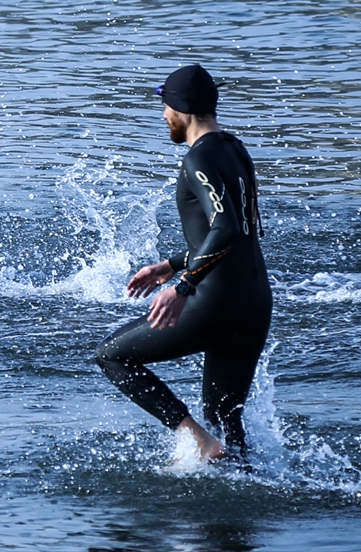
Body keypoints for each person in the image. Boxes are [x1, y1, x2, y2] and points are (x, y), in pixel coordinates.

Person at [96, 64, 272, 463]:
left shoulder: (197, 160)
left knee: (112, 355)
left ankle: (197, 440)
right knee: (226, 416)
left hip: (216, 299)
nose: (163, 116)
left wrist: (183, 286)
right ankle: (242, 502)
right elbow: (240, 232)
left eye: (165, 107)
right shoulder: (235, 148)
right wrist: (170, 265)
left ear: (182, 109)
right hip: (255, 302)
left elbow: (225, 228)